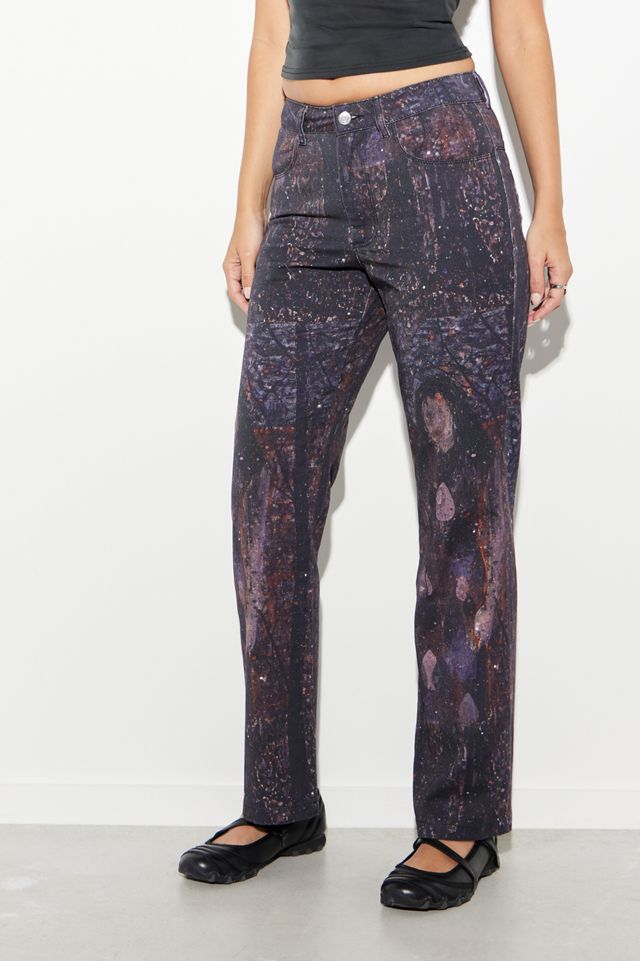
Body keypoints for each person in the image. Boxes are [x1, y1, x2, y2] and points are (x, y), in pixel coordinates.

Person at [179, 0, 572, 911]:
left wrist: (550, 203)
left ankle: (461, 819)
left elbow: (519, 27)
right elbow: (273, 30)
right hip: (305, 172)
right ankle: (278, 800)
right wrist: (248, 205)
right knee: (268, 500)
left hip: (443, 163)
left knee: (464, 507)